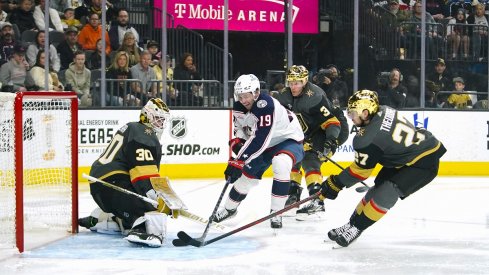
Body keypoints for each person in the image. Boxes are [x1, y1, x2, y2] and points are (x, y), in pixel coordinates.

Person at [320, 90, 446, 247]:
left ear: (365, 113)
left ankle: (358, 228)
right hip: (403, 157)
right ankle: (352, 224)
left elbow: (360, 172)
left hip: (424, 162)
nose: (350, 117)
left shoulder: (367, 139)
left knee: (387, 192)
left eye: (353, 113)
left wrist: (335, 183)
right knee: (377, 188)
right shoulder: (383, 109)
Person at [212, 74, 304, 229]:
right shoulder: (239, 107)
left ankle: (276, 212)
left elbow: (260, 139)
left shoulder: (265, 105)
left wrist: (238, 160)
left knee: (281, 163)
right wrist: (239, 142)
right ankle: (229, 209)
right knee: (246, 179)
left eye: (246, 96)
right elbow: (242, 131)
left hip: (288, 140)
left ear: (255, 92)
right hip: (265, 144)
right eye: (240, 96)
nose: (244, 100)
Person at [78, 98, 171, 247]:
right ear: (147, 115)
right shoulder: (144, 133)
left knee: (145, 204)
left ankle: (104, 219)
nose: (161, 124)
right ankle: (141, 230)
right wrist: (157, 198)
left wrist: (164, 199)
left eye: (163, 121)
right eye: (158, 119)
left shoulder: (135, 129)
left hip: (103, 186)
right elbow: (143, 176)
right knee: (150, 213)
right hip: (113, 183)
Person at [273, 65, 347, 220]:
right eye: (291, 82)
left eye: (297, 82)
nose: (293, 86)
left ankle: (317, 201)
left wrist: (331, 141)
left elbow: (331, 122)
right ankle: (293, 195)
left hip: (331, 128)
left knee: (310, 159)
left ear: (305, 81)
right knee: (293, 155)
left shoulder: (315, 96)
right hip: (307, 131)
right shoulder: (284, 95)